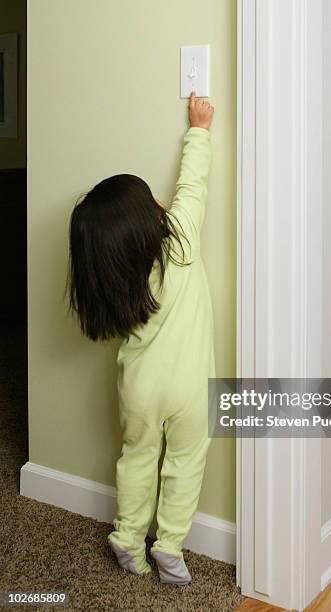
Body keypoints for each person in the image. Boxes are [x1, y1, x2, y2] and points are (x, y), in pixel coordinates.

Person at [67, 92, 215, 585]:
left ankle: (128, 538)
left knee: (136, 458)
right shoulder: (182, 243)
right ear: (151, 217)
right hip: (191, 390)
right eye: (152, 198)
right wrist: (199, 128)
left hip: (139, 388)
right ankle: (169, 546)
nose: (162, 201)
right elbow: (192, 187)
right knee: (184, 464)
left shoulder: (114, 278)